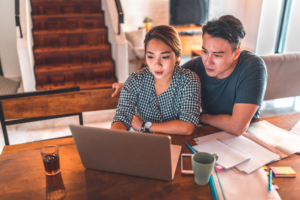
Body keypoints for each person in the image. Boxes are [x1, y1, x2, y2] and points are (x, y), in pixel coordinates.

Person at [111, 15, 267, 136]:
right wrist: (129, 85)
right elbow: (165, 74)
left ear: (236, 53)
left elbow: (237, 127)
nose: (208, 61)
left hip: (245, 138)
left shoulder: (252, 67)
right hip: (208, 135)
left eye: (217, 55)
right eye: (204, 51)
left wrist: (201, 117)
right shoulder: (196, 66)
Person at [111, 25, 201, 135]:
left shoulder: (189, 80)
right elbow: (121, 118)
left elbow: (187, 126)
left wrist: (144, 126)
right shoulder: (135, 80)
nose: (156, 64)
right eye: (150, 56)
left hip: (180, 145)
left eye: (164, 57)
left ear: (177, 55)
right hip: (146, 146)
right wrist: (114, 140)